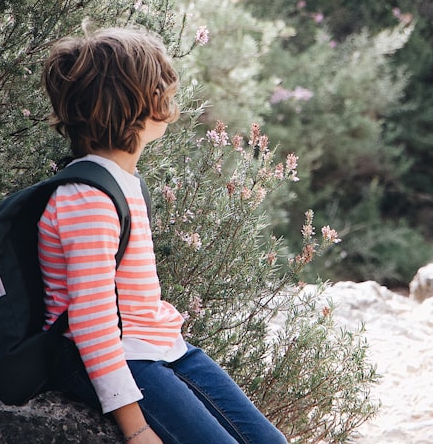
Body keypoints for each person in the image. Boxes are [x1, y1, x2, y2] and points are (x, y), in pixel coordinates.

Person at [38, 26, 287, 444]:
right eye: (162, 90)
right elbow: (92, 324)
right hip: (124, 359)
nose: (171, 100)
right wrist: (135, 429)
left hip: (161, 346)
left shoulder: (122, 181)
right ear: (135, 104)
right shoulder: (87, 200)